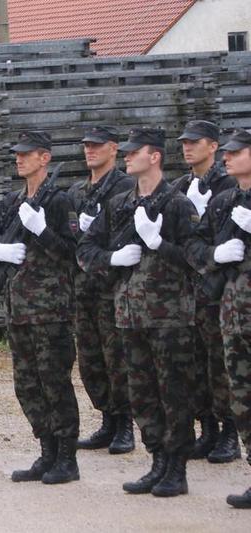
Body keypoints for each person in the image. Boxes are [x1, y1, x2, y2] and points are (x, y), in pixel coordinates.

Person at [78, 127, 198, 497]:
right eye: (126, 151)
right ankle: (157, 461)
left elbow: (197, 260)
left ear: (155, 156)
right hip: (129, 314)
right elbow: (85, 249)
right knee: (142, 394)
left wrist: (158, 243)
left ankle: (176, 468)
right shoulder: (120, 205)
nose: (127, 157)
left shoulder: (177, 205)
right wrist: (112, 258)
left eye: (135, 151)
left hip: (169, 317)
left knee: (173, 394)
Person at [0, 131, 81, 485]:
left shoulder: (59, 202)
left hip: (50, 311)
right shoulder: (11, 201)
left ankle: (66, 458)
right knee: (27, 385)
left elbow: (74, 253)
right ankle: (46, 452)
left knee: (55, 384)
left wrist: (43, 231)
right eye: (17, 153)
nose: (19, 159)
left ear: (45, 158)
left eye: (27, 153)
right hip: (18, 309)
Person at [173, 120, 241, 463]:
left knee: (220, 364)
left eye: (195, 142)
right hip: (187, 290)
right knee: (194, 363)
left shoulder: (228, 185)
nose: (187, 147)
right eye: (185, 142)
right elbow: (180, 241)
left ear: (213, 146)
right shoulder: (180, 186)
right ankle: (208, 428)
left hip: (218, 291)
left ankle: (229, 432)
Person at [67, 126, 136, 454]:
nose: (89, 150)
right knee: (90, 359)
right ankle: (107, 418)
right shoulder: (77, 191)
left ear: (114, 148)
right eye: (86, 145)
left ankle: (125, 424)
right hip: (83, 287)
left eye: (96, 145)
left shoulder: (126, 187)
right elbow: (68, 238)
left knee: (117, 358)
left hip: (112, 286)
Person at [196, 128, 251, 507]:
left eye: (236, 152)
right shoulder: (224, 202)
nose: (227, 158)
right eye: (226, 152)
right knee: (243, 399)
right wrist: (215, 254)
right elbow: (194, 244)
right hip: (234, 316)